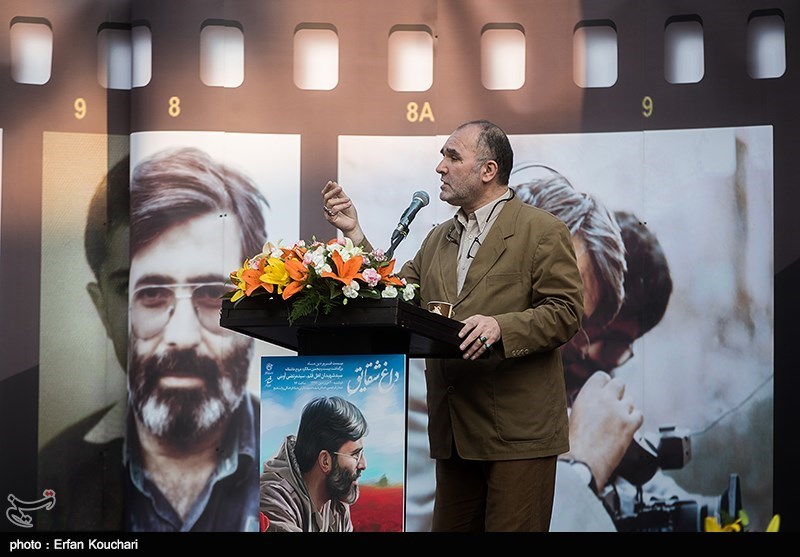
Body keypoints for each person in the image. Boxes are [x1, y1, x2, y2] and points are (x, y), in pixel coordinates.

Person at [322, 120, 584, 532]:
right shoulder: (437, 239)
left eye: (452, 157)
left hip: (518, 437)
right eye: (442, 156)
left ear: (488, 170)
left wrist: (501, 327)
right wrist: (354, 232)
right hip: (455, 436)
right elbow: (392, 296)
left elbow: (565, 312)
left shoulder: (542, 231)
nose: (440, 167)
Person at [38, 147, 270, 532]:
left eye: (214, 293)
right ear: (103, 309)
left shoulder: (300, 458)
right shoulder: (48, 475)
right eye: (149, 294)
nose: (182, 337)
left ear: (260, 300)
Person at [260, 396, 369, 532]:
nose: (363, 464)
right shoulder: (273, 499)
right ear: (325, 461)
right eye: (355, 455)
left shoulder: (337, 504)